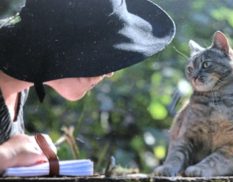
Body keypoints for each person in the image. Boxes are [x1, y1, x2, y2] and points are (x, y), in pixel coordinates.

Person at [0, 0, 175, 173]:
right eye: (102, 55)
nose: (109, 73)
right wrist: (9, 154)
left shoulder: (19, 83)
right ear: (67, 51)